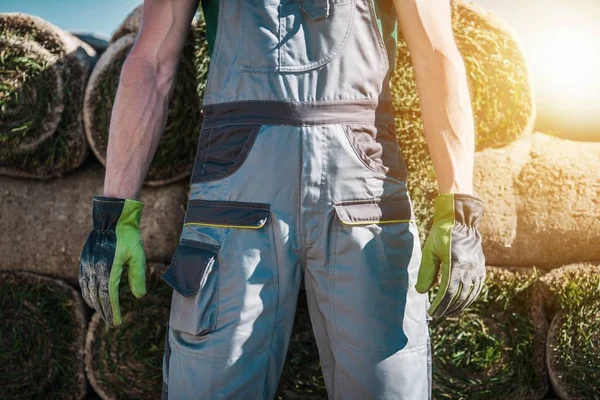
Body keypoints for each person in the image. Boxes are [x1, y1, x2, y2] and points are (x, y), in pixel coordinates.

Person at [79, 0, 486, 398]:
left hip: (339, 195)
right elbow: (151, 64)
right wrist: (114, 214)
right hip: (268, 200)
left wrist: (459, 208)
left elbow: (436, 53)